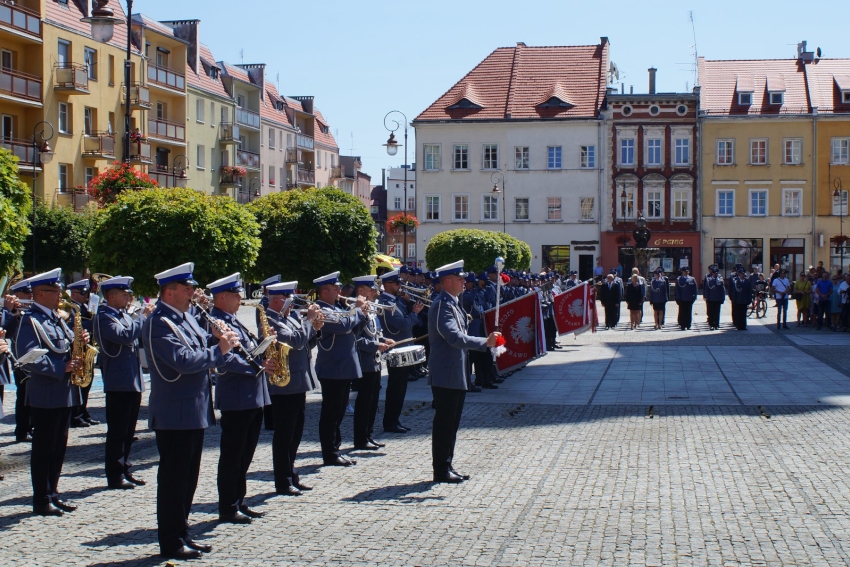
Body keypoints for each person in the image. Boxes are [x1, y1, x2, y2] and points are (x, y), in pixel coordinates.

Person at [144, 262, 241, 559]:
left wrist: (219, 341)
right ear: (170, 292)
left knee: (189, 478)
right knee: (174, 480)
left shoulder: (185, 318)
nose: (193, 293)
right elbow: (183, 360)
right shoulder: (160, 322)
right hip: (174, 411)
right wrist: (219, 349)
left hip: (194, 407)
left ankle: (183, 532)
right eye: (187, 289)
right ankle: (170, 540)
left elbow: (202, 353)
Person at [14, 268, 91, 517]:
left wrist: (82, 341)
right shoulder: (31, 320)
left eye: (59, 290)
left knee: (59, 447)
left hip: (64, 391)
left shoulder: (57, 318)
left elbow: (68, 345)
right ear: (39, 293)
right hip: (46, 392)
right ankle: (41, 499)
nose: (59, 294)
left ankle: (53, 493)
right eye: (54, 290)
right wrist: (62, 367)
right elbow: (27, 359)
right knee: (44, 448)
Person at [206, 273, 278, 525]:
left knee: (245, 453)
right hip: (236, 396)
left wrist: (266, 346)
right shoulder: (215, 322)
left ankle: (239, 500)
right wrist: (258, 367)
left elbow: (247, 352)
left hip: (251, 394)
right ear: (222, 297)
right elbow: (225, 358)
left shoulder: (233, 321)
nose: (240, 299)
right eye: (236, 295)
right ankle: (228, 506)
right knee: (233, 455)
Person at [427, 260, 501, 483]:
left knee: (452, 424)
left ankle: (447, 464)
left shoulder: (453, 303)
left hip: (456, 371)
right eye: (459, 279)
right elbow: (453, 337)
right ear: (447, 281)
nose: (464, 282)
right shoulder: (442, 305)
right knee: (445, 424)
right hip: (446, 373)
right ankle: (441, 470)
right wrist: (484, 342)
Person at [94, 276, 154, 490]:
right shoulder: (103, 316)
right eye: (124, 294)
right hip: (118, 381)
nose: (128, 297)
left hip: (132, 378)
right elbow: (126, 336)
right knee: (117, 431)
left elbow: (137, 337)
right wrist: (143, 318)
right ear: (111, 296)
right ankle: (114, 474)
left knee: (128, 430)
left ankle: (125, 467)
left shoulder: (122, 315)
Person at [263, 281, 322, 495]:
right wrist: (309, 321)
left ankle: (291, 474)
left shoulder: (288, 319)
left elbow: (305, 344)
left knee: (295, 434)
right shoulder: (271, 321)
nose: (292, 304)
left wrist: (315, 330)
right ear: (278, 300)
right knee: (284, 435)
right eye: (289, 299)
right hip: (284, 385)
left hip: (298, 382)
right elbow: (295, 341)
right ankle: (282, 480)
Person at [313, 272, 367, 467]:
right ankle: (330, 453)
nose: (340, 290)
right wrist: (358, 311)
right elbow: (344, 327)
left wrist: (363, 316)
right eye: (335, 288)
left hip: (343, 366)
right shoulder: (322, 310)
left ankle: (335, 449)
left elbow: (353, 332)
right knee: (331, 413)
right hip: (333, 367)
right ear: (324, 291)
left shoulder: (336, 307)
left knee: (339, 412)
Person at [376, 269, 424, 432]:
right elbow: (403, 324)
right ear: (386, 285)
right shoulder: (387, 303)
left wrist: (410, 304)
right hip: (396, 350)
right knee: (396, 388)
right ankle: (390, 422)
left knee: (400, 387)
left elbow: (407, 317)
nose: (400, 286)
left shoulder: (397, 301)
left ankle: (394, 420)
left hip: (403, 349)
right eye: (397, 283)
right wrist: (415, 312)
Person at [352, 275, 395, 449]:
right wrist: (376, 345)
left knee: (373, 401)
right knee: (363, 402)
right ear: (361, 291)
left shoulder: (371, 309)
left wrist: (385, 340)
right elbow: (355, 339)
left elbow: (375, 332)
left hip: (375, 362)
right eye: (371, 289)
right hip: (364, 363)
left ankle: (368, 434)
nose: (375, 292)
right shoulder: (355, 310)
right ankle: (360, 438)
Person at [67, 279, 99, 428]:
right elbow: (72, 325)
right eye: (83, 293)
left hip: (87, 349)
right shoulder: (70, 308)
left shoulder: (85, 307)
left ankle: (83, 412)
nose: (86, 296)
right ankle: (76, 414)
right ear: (74, 293)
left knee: (87, 383)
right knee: (78, 385)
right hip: (77, 350)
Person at [4, 278, 33, 442]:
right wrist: (12, 311)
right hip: (19, 359)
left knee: (32, 396)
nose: (30, 296)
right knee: (23, 396)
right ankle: (22, 430)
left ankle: (30, 426)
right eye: (26, 293)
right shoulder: (14, 313)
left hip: (32, 358)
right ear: (17, 294)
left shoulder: (28, 311)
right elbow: (7, 332)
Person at [702, 265, 726, 330]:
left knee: (717, 312)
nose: (715, 274)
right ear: (712, 273)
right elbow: (706, 289)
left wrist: (723, 298)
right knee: (711, 312)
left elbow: (722, 290)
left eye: (716, 273)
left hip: (718, 299)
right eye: (714, 273)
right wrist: (706, 297)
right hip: (711, 299)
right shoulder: (709, 280)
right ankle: (711, 324)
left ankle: (716, 324)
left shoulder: (720, 280)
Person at [729, 266, 752, 330]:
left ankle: (743, 326)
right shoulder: (736, 281)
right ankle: (738, 325)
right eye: (741, 274)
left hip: (744, 300)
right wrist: (734, 300)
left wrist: (749, 299)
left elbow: (749, 291)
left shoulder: (747, 282)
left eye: (743, 274)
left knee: (743, 314)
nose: (742, 275)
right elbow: (734, 291)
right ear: (739, 274)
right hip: (738, 300)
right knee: (738, 313)